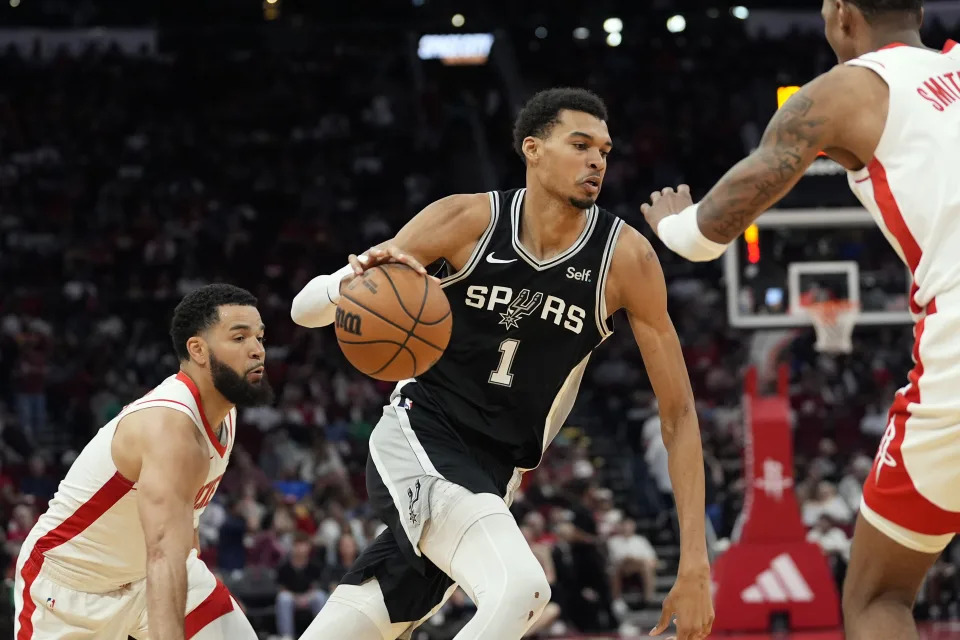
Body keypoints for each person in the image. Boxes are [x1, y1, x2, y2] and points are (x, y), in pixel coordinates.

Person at [292, 87, 714, 640]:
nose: (596, 161)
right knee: (522, 589)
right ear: (532, 149)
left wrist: (694, 562)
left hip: (497, 474)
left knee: (357, 628)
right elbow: (304, 312)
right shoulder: (465, 219)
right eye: (580, 144)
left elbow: (679, 416)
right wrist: (347, 280)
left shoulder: (626, 260)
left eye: (605, 152)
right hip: (422, 432)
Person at [638, 2, 959, 638]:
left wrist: (675, 226)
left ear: (841, 14)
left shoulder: (846, 89)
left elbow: (718, 224)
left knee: (880, 598)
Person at [13, 284, 274, 640]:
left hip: (152, 573)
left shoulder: (223, 412)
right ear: (198, 349)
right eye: (239, 338)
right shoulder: (170, 428)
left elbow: (183, 529)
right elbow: (163, 556)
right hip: (71, 589)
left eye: (259, 337)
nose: (257, 350)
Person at [275, 532, 327, 640]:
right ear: (292, 547)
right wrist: (295, 597)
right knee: (283, 598)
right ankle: (286, 636)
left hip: (309, 596)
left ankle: (322, 634)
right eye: (297, 545)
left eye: (303, 545)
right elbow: (281, 588)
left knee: (320, 596)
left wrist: (306, 597)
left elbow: (317, 586)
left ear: (308, 547)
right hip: (292, 597)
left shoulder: (315, 565)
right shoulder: (284, 566)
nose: (300, 548)